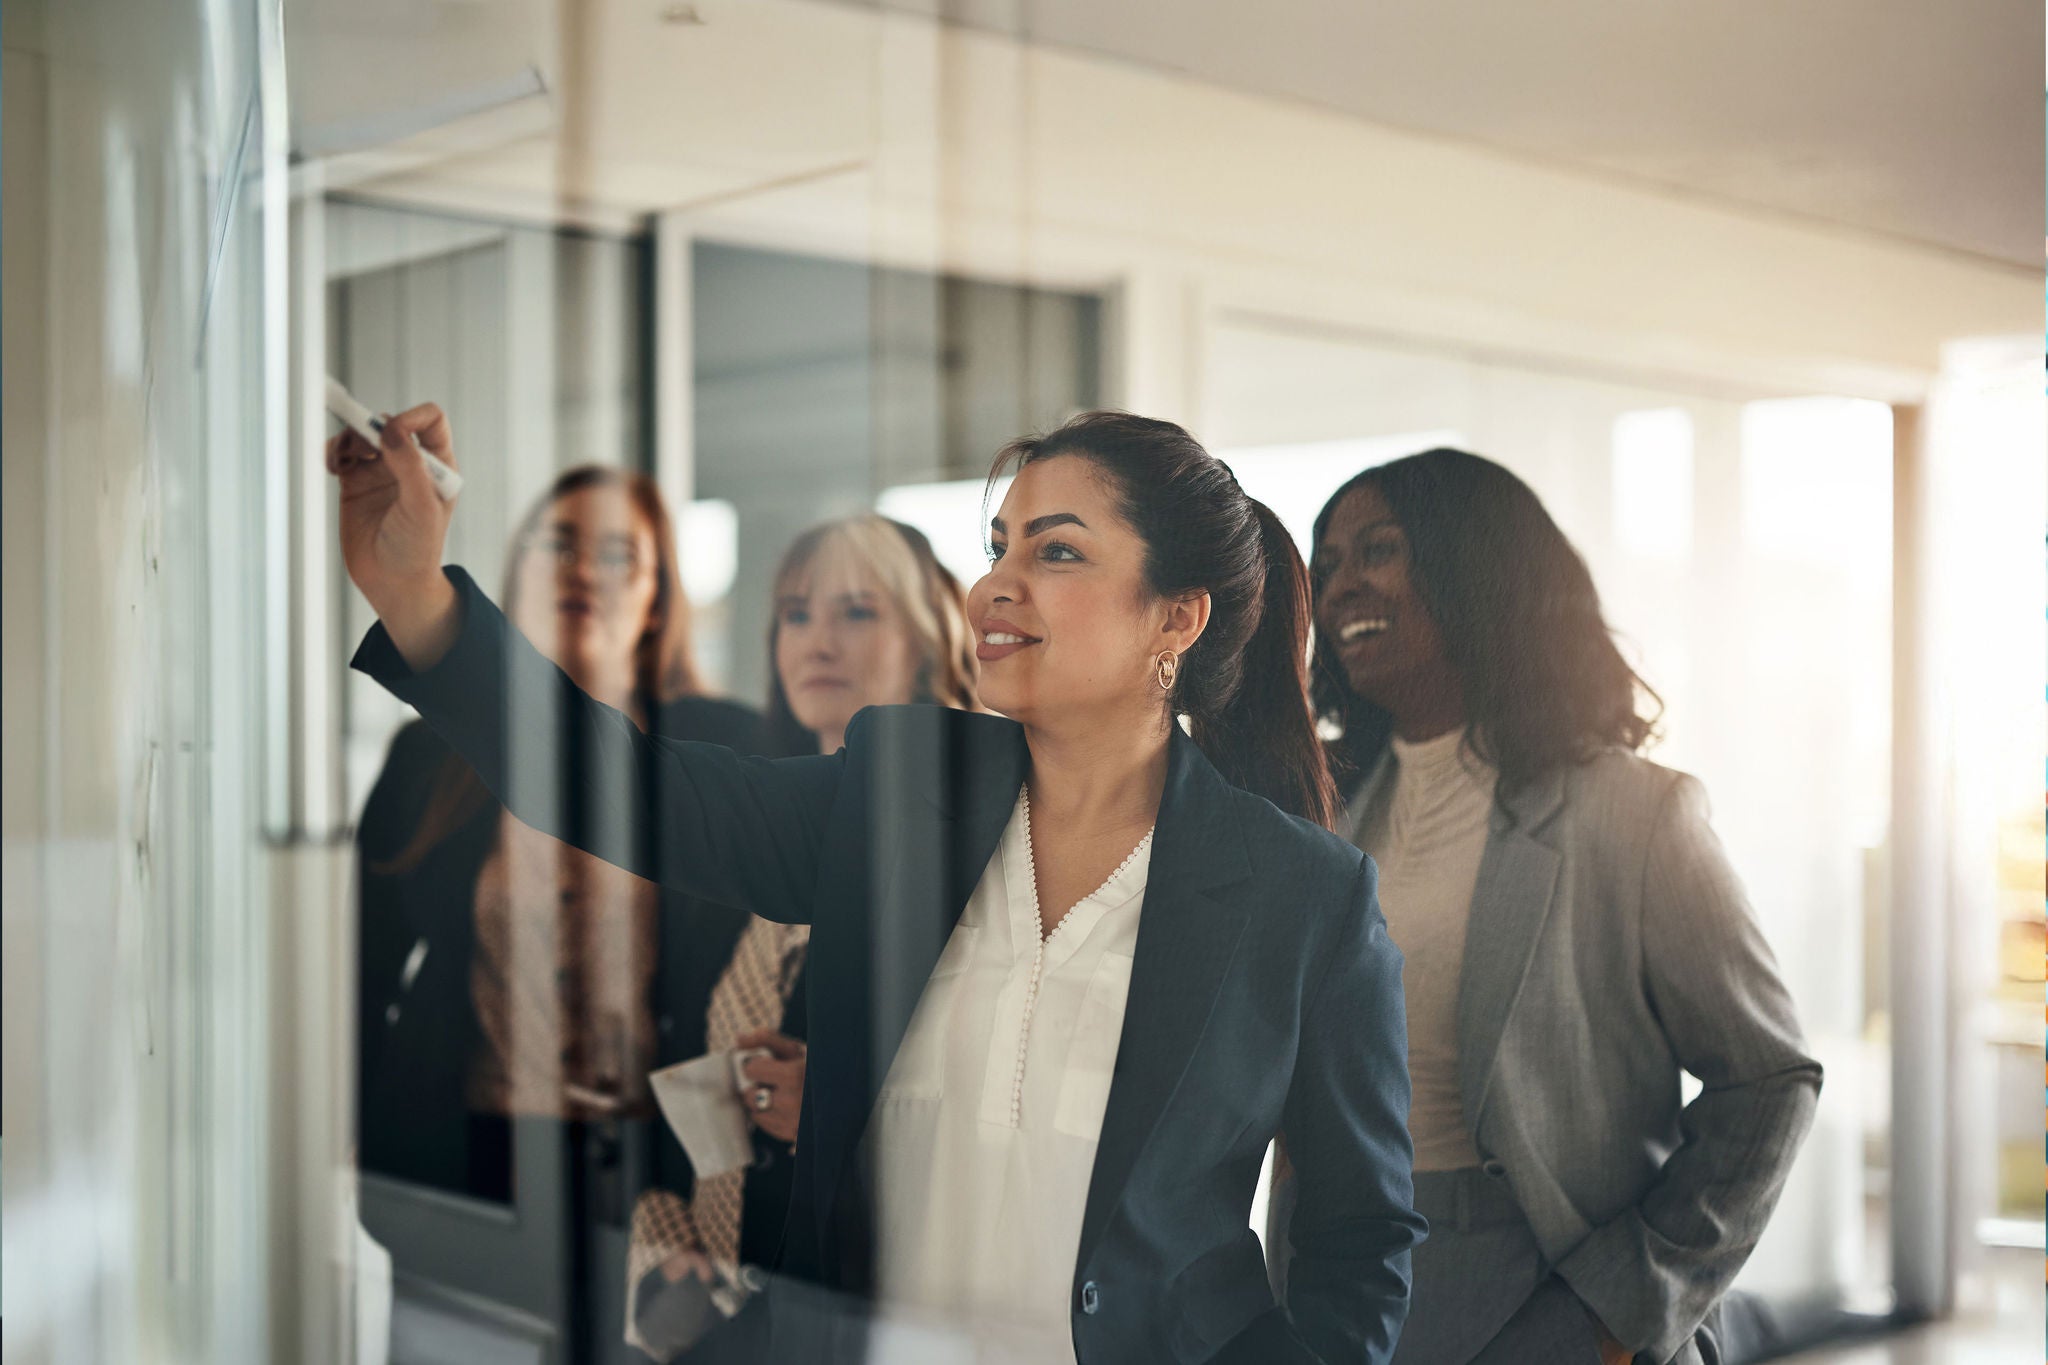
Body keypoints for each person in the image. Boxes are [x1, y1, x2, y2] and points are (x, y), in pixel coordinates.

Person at [331, 405, 1423, 1364]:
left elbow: (1356, 1239)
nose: (994, 584)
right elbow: (625, 788)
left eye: (1057, 553)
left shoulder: (1302, 899)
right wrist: (416, 594)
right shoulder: (896, 793)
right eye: (997, 548)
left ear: (1174, 620)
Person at [1279, 449, 1821, 1365]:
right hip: (1336, 1293)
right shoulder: (1319, 813)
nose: (1339, 588)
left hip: (1546, 1295)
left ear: (1478, 566)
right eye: (1326, 565)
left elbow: (1767, 1079)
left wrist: (1619, 1307)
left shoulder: (1634, 813)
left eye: (1379, 550)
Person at [357, 463, 765, 1205]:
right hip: (453, 1151)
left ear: (656, 601)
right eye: (558, 544)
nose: (582, 569)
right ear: (516, 577)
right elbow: (363, 971)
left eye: (617, 555)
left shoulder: (730, 746)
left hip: (663, 1169)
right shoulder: (428, 757)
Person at [624, 513, 980, 1361]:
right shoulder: (741, 844)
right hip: (718, 1311)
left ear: (928, 640)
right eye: (795, 612)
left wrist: (846, 1108)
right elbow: (666, 1066)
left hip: (876, 1316)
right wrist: (661, 1250)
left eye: (857, 612)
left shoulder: (966, 848)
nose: (818, 639)